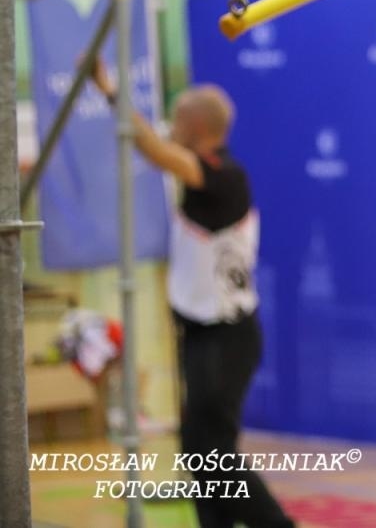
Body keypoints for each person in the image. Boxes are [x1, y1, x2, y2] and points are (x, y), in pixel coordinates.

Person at [91, 64, 295, 528]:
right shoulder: (201, 171)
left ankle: (277, 525)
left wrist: (108, 91)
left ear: (198, 128)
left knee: (214, 449)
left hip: (228, 335)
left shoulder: (225, 177)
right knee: (196, 447)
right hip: (200, 334)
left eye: (176, 117)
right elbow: (155, 143)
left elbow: (152, 147)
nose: (169, 123)